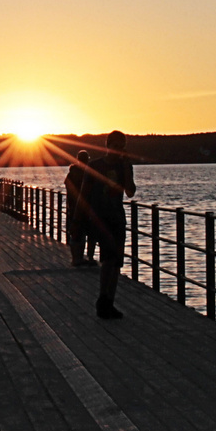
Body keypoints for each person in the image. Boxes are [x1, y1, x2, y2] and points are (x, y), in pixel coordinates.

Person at [82, 130, 136, 319]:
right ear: (107, 145)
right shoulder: (95, 165)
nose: (118, 150)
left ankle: (109, 301)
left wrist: (127, 169)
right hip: (101, 218)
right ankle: (103, 298)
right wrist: (81, 219)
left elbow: (130, 192)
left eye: (121, 147)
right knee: (108, 259)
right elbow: (84, 193)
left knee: (116, 262)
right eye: (115, 146)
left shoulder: (124, 166)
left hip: (117, 219)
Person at [65, 150, 95, 267]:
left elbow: (68, 187)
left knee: (76, 232)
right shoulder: (88, 173)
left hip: (73, 207)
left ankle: (76, 258)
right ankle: (89, 257)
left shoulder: (71, 173)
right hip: (87, 207)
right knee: (90, 234)